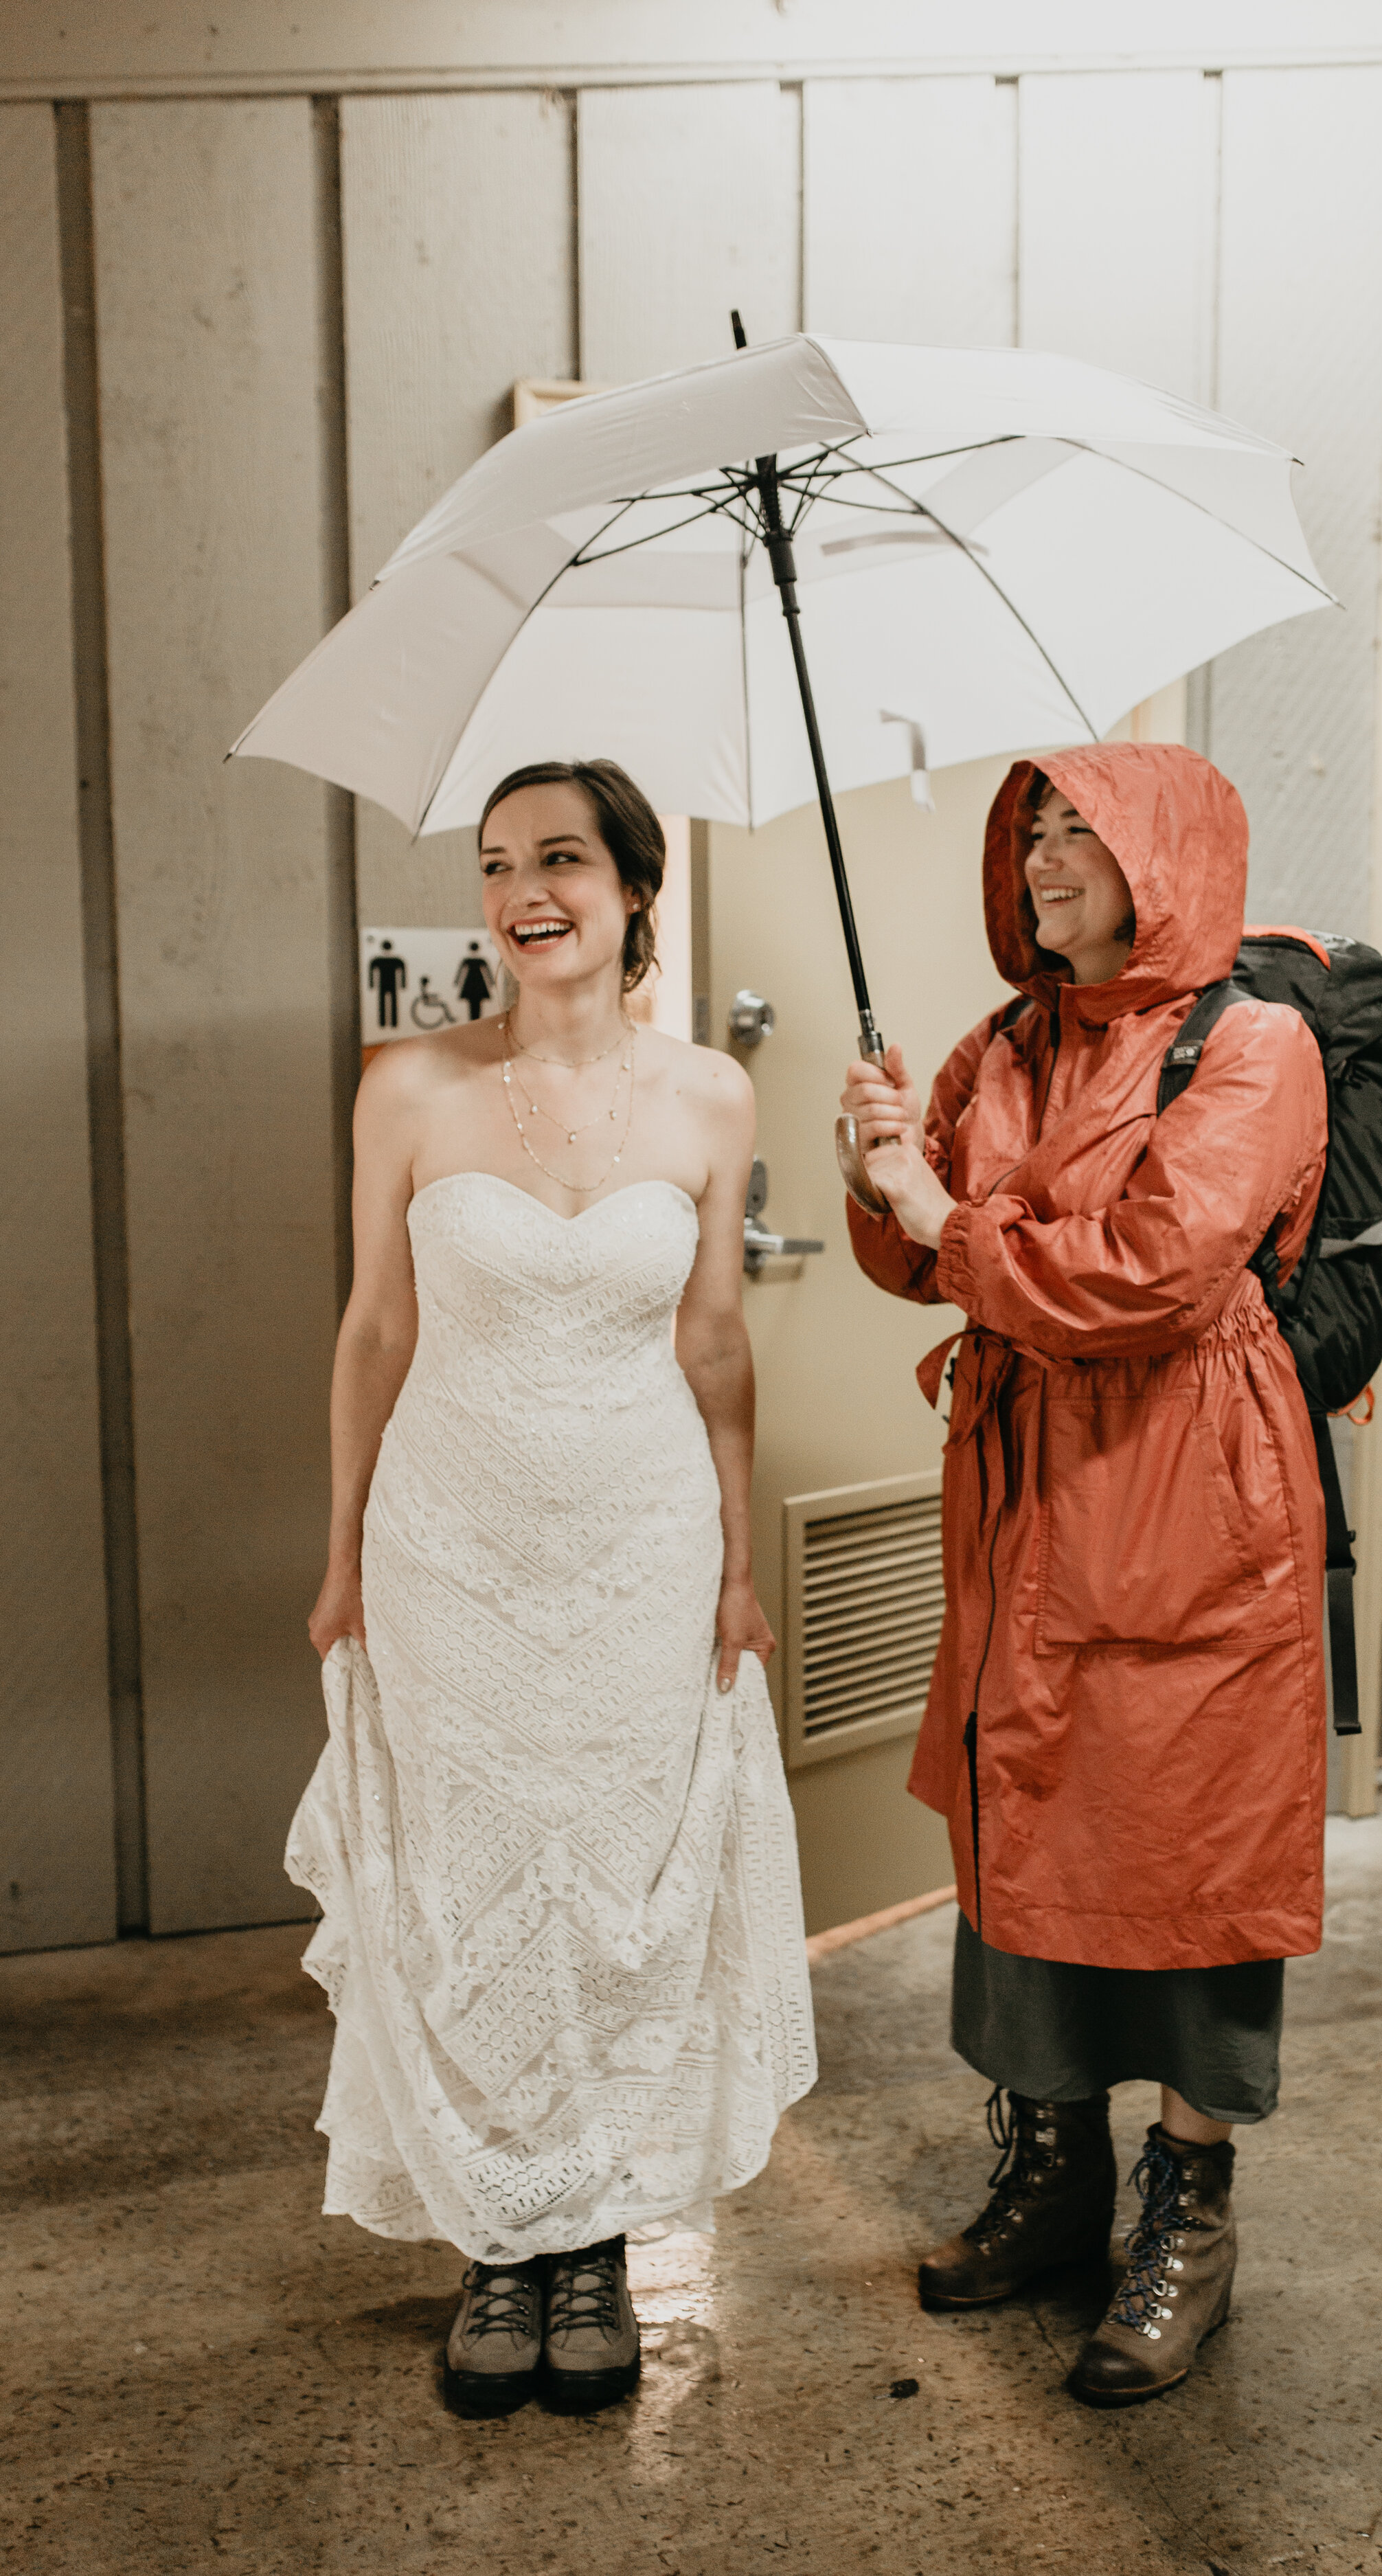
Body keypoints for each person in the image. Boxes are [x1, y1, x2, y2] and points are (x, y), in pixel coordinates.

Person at [295, 757, 815, 2421]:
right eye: (501, 863)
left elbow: (714, 1339)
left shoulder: (713, 1099)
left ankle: (589, 2243)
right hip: (448, 1540)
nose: (528, 890)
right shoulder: (409, 1086)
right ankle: (492, 2247)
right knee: (470, 1876)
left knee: (613, 1876)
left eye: (564, 859)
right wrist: (339, 1550)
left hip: (641, 1543)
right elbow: (374, 1329)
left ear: (633, 888)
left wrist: (738, 1559)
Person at [839, 743, 1327, 2408]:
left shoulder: (1252, 1047)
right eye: (1030, 831)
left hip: (1187, 1488)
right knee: (1025, 1801)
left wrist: (950, 1223)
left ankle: (1187, 2213)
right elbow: (930, 1261)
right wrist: (883, 1174)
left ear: (1164, 857)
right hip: (1026, 1482)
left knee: (1184, 1836)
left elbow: (1153, 1270)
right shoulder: (1006, 1042)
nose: (1044, 860)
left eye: (1079, 832)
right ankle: (1053, 2177)